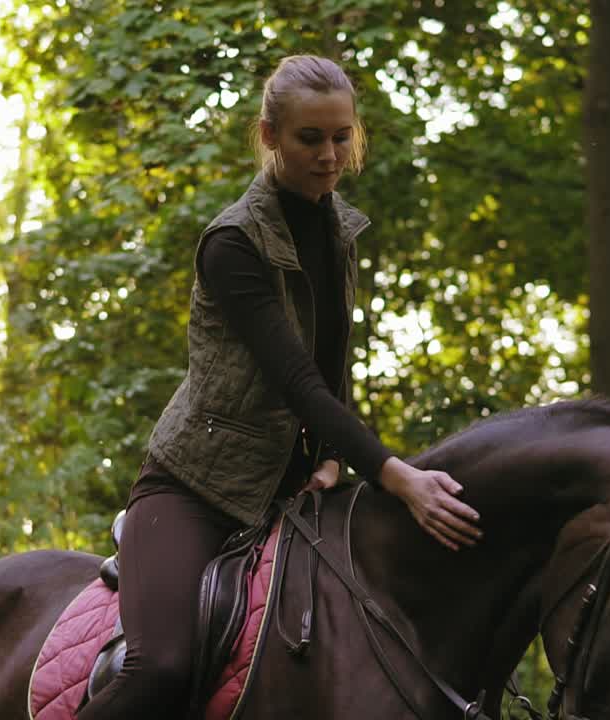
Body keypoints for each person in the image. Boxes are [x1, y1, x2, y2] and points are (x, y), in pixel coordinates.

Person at [77, 54, 482, 720]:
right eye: (310, 138)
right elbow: (296, 379)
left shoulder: (339, 229)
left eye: (342, 137)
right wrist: (396, 476)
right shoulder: (233, 243)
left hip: (290, 491)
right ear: (270, 135)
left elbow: (332, 366)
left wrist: (331, 459)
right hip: (197, 488)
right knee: (161, 668)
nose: (329, 155)